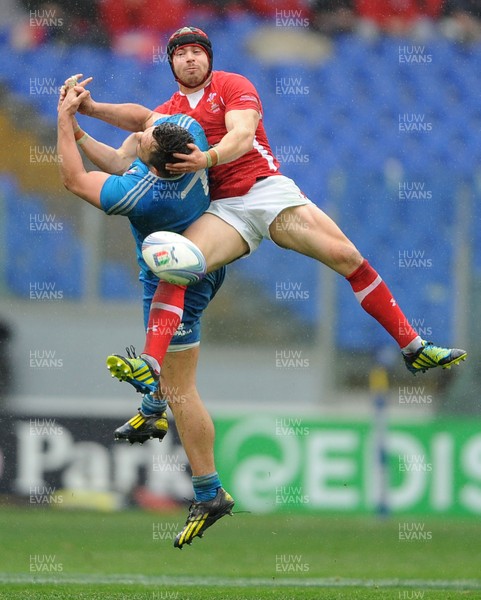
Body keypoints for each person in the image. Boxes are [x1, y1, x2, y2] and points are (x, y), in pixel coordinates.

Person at [70, 24, 467, 538]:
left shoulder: (232, 86)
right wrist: (89, 110)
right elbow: (137, 124)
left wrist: (207, 158)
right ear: (170, 63)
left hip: (265, 190)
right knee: (179, 260)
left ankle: (412, 346)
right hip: (225, 211)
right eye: (181, 53)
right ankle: (149, 374)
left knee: (347, 256)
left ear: (209, 59)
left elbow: (238, 136)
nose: (191, 59)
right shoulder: (168, 112)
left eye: (197, 52)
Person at [57, 81, 234, 549]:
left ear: (153, 167)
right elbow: (139, 127)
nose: (145, 132)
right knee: (169, 380)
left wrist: (63, 124)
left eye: (148, 141)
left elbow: (76, 180)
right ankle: (151, 410)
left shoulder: (144, 195)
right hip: (198, 254)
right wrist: (87, 113)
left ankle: (209, 490)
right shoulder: (186, 136)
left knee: (182, 387)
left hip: (178, 279)